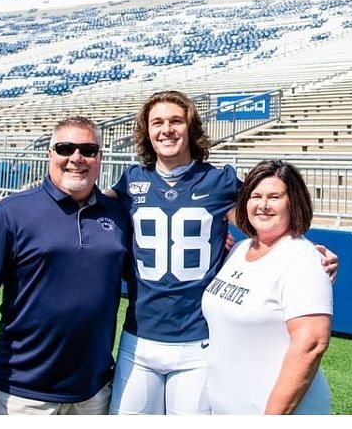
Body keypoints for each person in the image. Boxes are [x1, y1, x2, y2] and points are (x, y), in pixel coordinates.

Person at [107, 90, 337, 415]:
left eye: (176, 120)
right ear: (146, 130)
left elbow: (267, 219)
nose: (167, 129)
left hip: (196, 343)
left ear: (191, 127)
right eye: (157, 122)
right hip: (139, 337)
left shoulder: (219, 181)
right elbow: (90, 209)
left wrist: (311, 258)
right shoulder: (131, 182)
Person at [0, 116, 131, 415]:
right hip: (21, 393)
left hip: (94, 391)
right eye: (66, 148)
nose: (77, 158)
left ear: (100, 157)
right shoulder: (11, 213)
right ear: (50, 154)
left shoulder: (118, 214)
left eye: (88, 150)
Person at [201, 159, 332, 414]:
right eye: (255, 196)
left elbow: (311, 344)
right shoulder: (240, 249)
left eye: (274, 197)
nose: (263, 205)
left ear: (293, 202)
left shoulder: (303, 258)